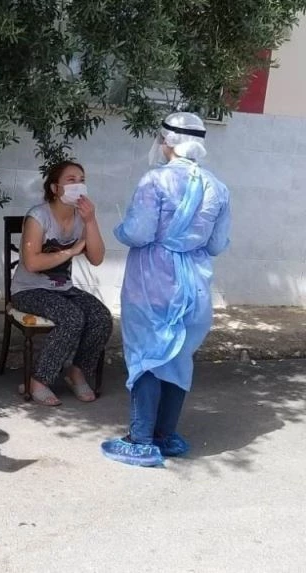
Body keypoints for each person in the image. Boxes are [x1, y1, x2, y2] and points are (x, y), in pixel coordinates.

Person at [101, 112, 231, 467]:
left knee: (147, 354)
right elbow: (217, 244)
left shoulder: (155, 180)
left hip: (153, 278)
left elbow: (139, 232)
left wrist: (120, 230)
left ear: (168, 142)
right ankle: (166, 434)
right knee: (179, 355)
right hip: (195, 280)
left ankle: (141, 439)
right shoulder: (218, 187)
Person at [10, 161, 112, 406]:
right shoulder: (38, 216)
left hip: (62, 289)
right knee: (72, 317)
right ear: (55, 188)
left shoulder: (81, 218)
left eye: (82, 180)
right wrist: (70, 252)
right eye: (71, 180)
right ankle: (38, 381)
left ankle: (77, 373)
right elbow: (32, 263)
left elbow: (97, 258)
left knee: (101, 316)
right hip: (28, 290)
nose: (78, 185)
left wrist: (91, 221)